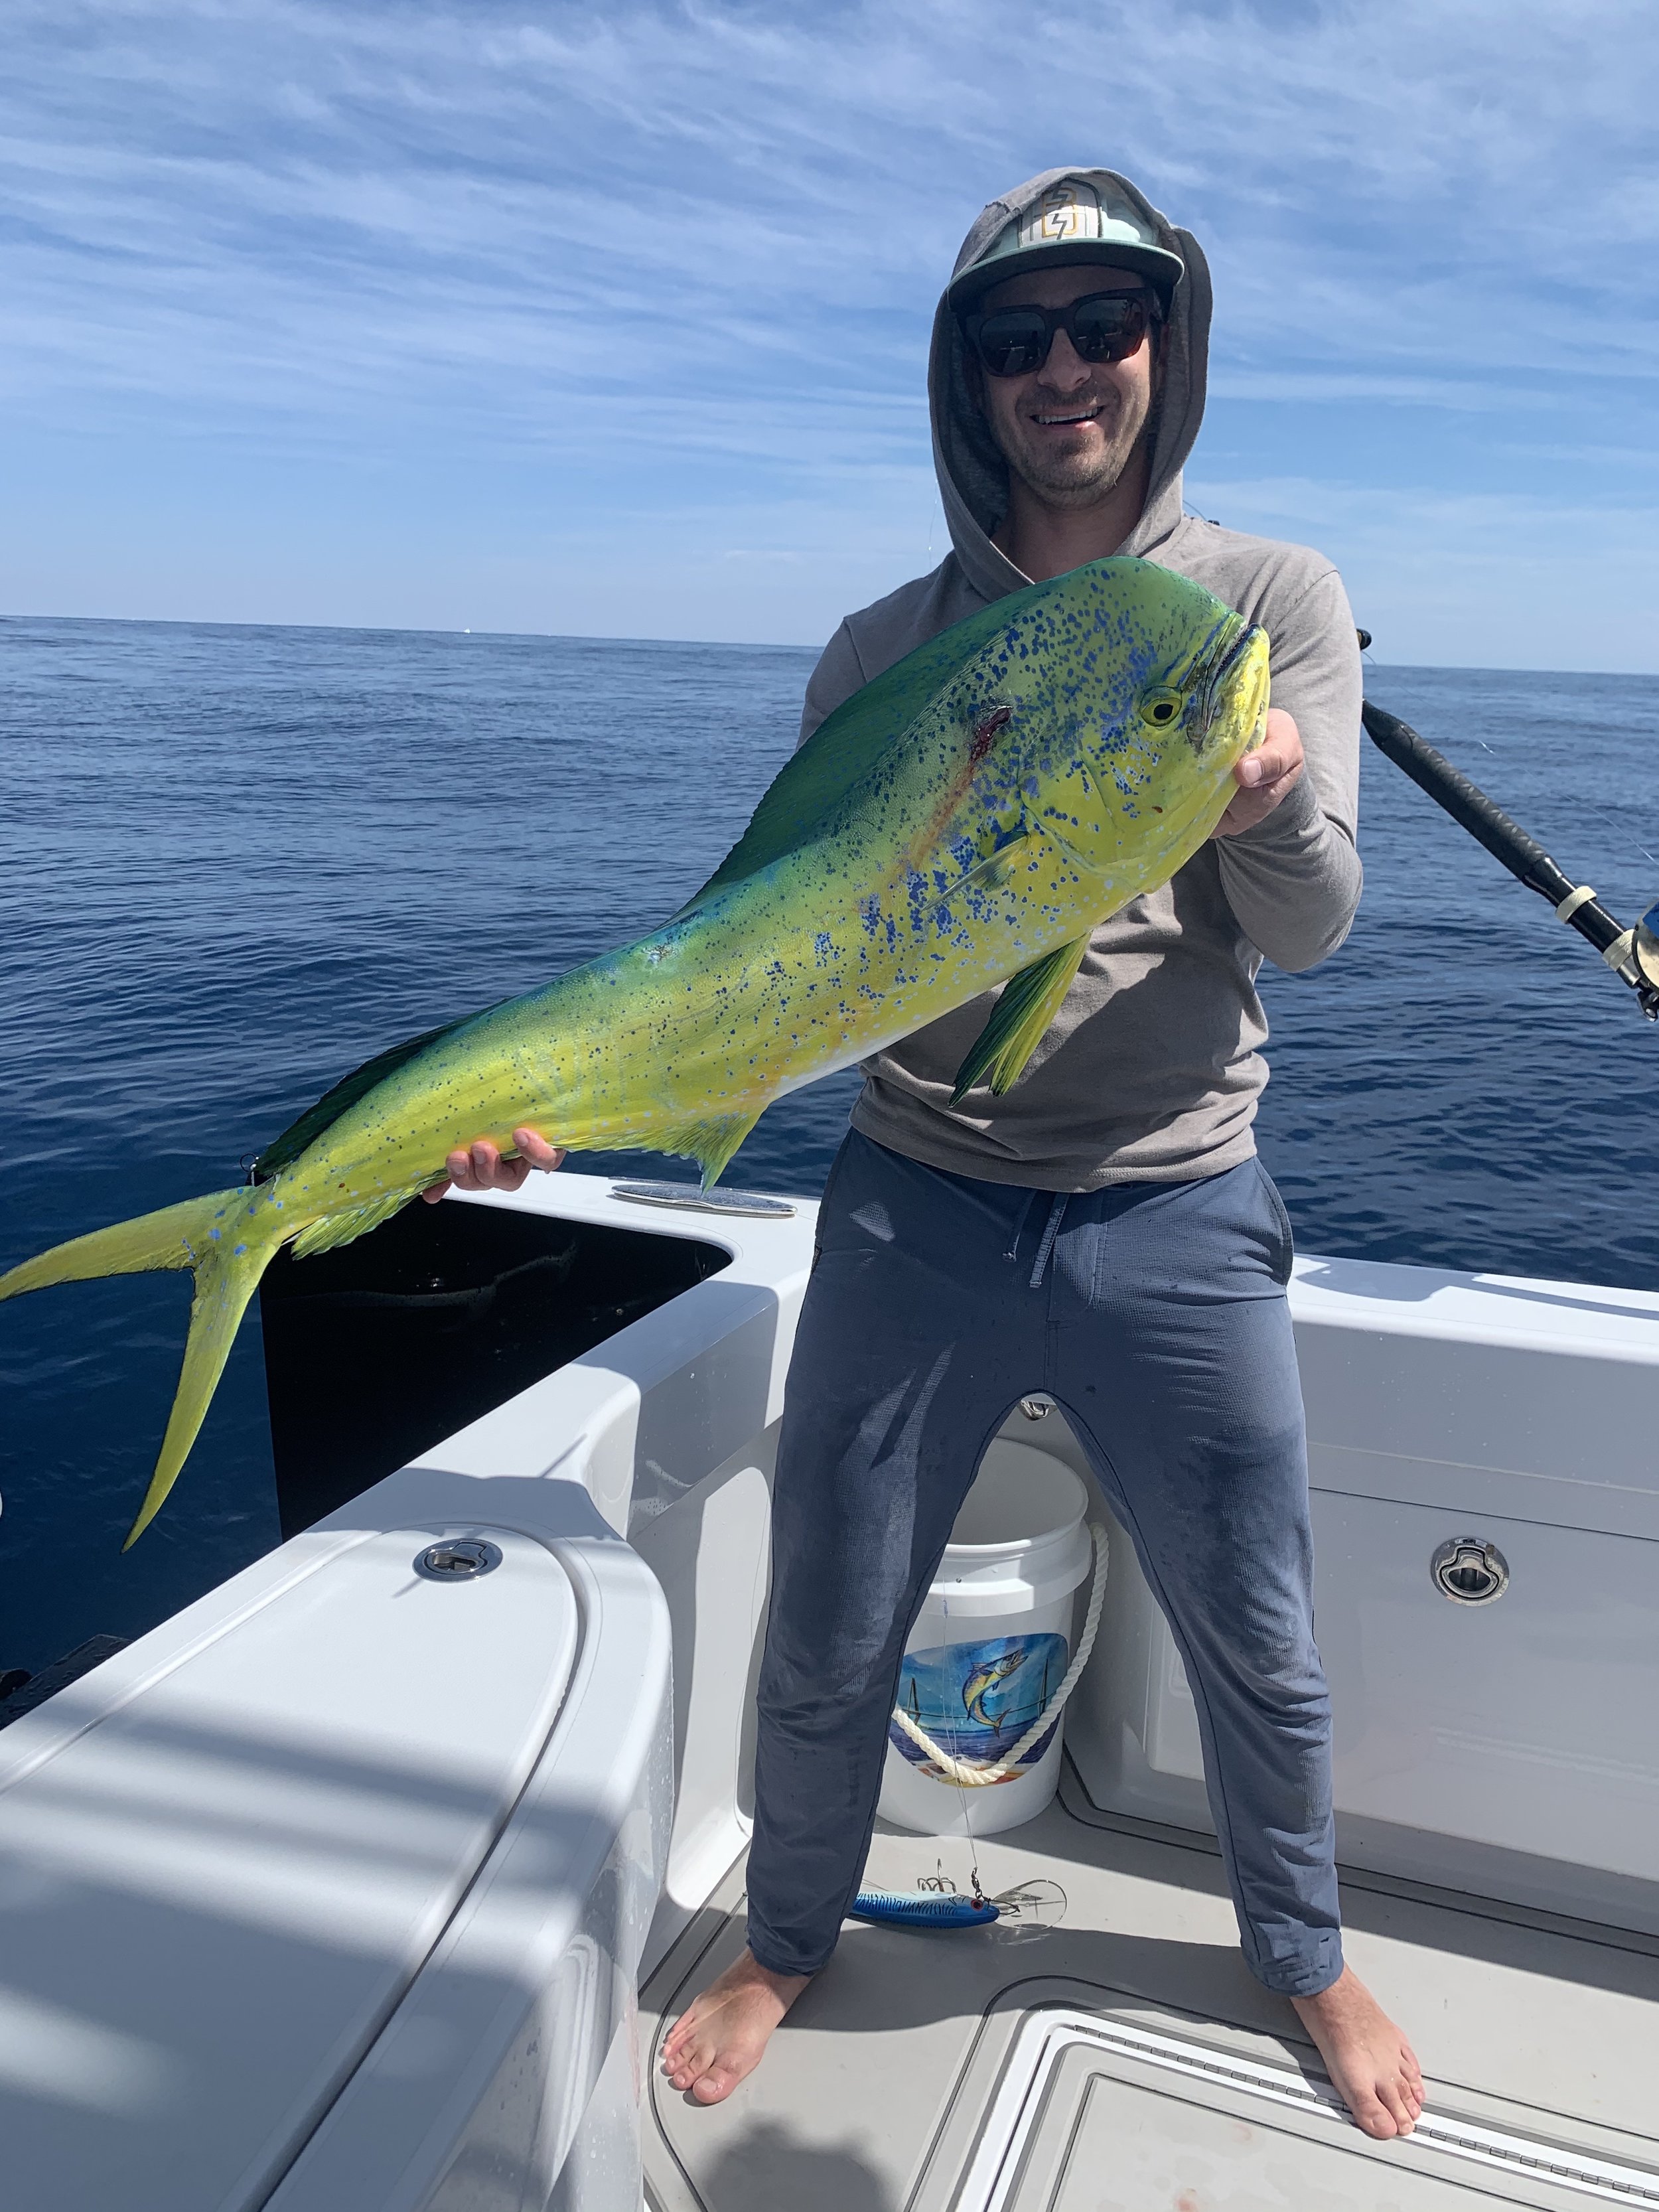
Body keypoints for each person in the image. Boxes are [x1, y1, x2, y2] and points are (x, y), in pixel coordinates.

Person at [433, 167, 1424, 2141]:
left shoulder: (1268, 604)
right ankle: (788, 1930)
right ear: (964, 379)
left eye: (1102, 322)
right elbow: (767, 962)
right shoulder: (887, 649)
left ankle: (1298, 1952)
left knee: (1262, 1638)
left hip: (1177, 1205)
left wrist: (1271, 804)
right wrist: (571, 1100)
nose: (1063, 365)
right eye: (1013, 335)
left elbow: (1309, 931)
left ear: (1165, 349)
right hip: (916, 1197)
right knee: (827, 1622)